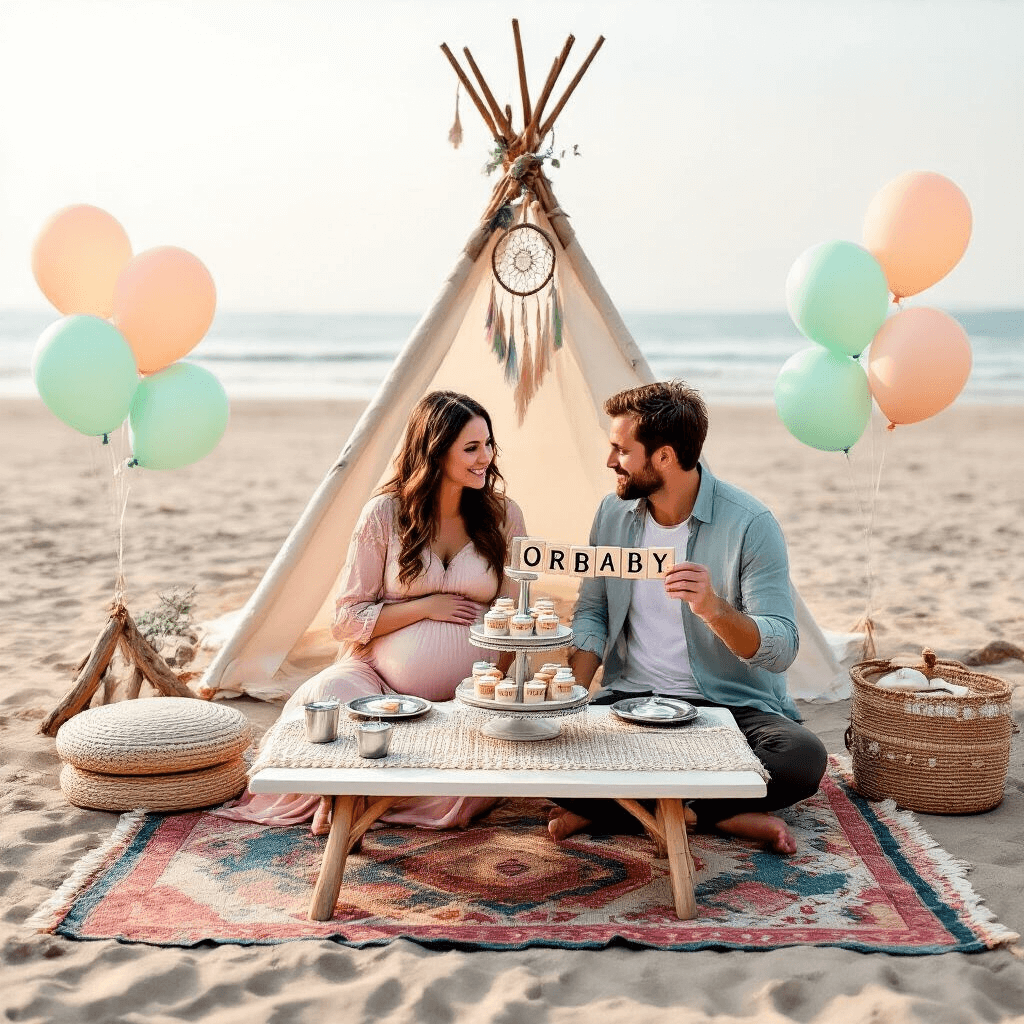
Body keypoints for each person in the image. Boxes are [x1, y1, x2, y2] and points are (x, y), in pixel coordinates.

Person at [214, 390, 525, 834]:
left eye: (488, 444)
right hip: (375, 676)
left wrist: (492, 690)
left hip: (468, 693)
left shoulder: (503, 515)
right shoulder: (385, 514)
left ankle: (357, 796)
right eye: (471, 448)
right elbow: (347, 618)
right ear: (435, 452)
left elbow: (512, 614)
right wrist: (424, 607)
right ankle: (348, 790)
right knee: (321, 700)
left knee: (464, 788)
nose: (485, 458)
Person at [548, 380, 827, 854]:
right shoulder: (613, 514)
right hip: (630, 702)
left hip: (730, 709)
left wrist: (714, 609)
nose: (609, 461)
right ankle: (719, 813)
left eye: (621, 450)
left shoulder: (751, 523)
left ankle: (623, 811)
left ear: (663, 457)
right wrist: (568, 702)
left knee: (802, 758)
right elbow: (592, 612)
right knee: (540, 751)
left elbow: (781, 648)